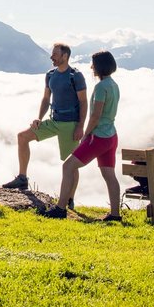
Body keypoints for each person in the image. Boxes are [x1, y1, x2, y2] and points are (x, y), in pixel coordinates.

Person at [2, 43, 87, 208]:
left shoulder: (76, 76)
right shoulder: (50, 75)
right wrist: (38, 118)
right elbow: (46, 99)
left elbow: (83, 102)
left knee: (71, 163)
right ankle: (22, 178)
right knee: (22, 137)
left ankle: (69, 199)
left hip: (70, 124)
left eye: (55, 54)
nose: (51, 57)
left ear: (65, 56)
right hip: (53, 121)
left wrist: (80, 126)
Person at [43, 50, 122, 221]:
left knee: (68, 167)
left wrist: (86, 134)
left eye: (93, 64)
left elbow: (96, 115)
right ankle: (115, 215)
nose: (91, 67)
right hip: (111, 136)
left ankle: (60, 208)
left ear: (99, 66)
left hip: (98, 137)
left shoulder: (101, 87)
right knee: (109, 175)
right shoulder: (113, 85)